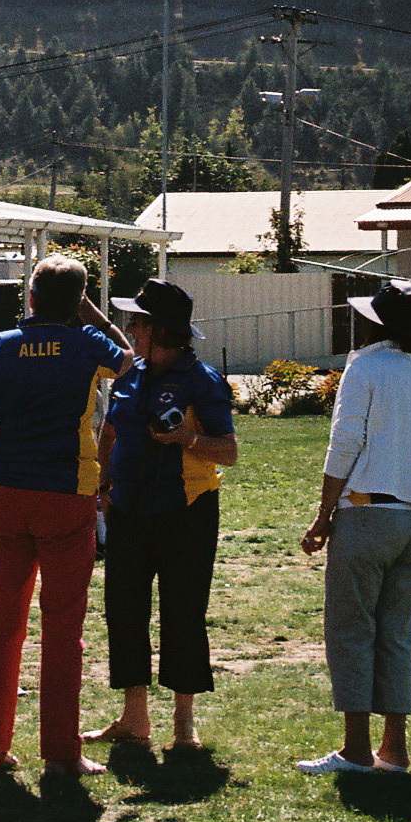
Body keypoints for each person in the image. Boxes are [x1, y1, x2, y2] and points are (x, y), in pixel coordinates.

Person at [0, 255, 132, 780]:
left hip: (8, 492)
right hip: (66, 492)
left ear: (29, 298)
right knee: (62, 628)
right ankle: (60, 750)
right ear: (77, 301)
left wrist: (7, 436)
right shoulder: (87, 342)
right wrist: (93, 314)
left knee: (1, 621)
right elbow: (129, 356)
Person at [298, 278, 411, 776]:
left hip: (367, 515)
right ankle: (396, 750)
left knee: (351, 630)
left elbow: (344, 445)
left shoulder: (364, 368)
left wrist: (324, 513)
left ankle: (356, 750)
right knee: (397, 634)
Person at [86, 279, 238, 753]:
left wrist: (186, 441)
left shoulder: (202, 380)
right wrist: (106, 486)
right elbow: (110, 432)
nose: (129, 327)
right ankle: (134, 718)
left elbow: (228, 451)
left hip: (186, 511)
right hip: (129, 510)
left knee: (183, 613)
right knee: (125, 612)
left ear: (162, 330)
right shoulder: (131, 375)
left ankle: (183, 722)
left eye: (137, 321)